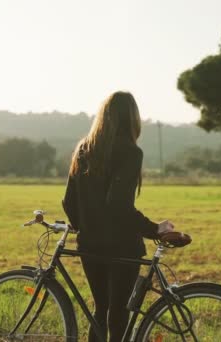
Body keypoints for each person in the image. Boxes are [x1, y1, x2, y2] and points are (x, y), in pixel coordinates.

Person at [62, 91, 174, 342]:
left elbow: (69, 202)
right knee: (119, 315)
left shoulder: (84, 149)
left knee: (99, 312)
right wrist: (155, 228)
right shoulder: (131, 152)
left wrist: (87, 229)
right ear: (133, 118)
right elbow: (118, 205)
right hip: (123, 247)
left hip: (90, 246)